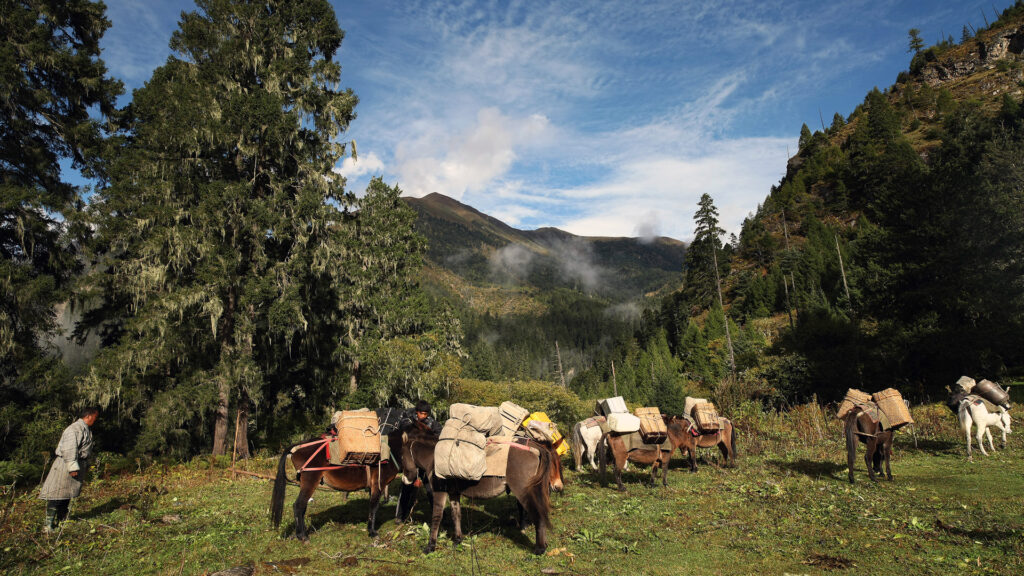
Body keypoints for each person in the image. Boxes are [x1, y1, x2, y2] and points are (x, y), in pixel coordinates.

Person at [39, 406, 99, 534]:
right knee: (57, 495)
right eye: (95, 416)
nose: (95, 419)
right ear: (88, 416)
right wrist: (72, 467)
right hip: (65, 465)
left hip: (77, 463)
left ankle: (62, 520)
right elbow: (69, 449)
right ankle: (48, 525)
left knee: (66, 494)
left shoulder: (85, 429)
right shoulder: (74, 429)